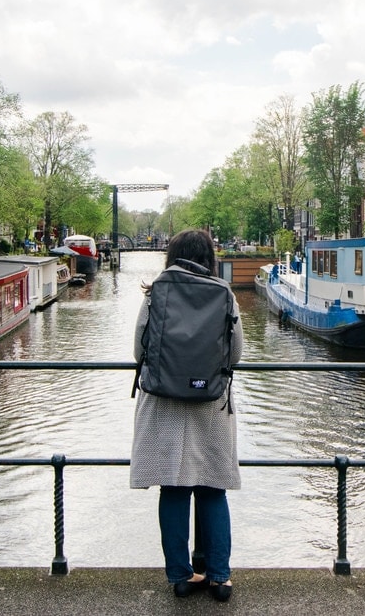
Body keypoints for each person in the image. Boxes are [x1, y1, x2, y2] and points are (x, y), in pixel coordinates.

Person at [130, 229, 243, 602]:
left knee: (174, 489)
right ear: (209, 257)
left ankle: (181, 576)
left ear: (172, 255)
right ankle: (220, 577)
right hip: (210, 403)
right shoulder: (224, 293)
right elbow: (236, 355)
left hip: (164, 402)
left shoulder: (156, 292)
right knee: (212, 488)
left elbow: (138, 350)